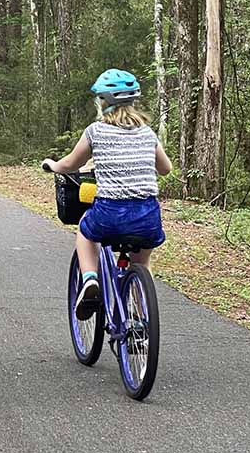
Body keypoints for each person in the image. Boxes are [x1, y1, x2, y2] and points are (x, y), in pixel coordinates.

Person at [42, 69, 172, 320]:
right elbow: (165, 168)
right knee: (141, 262)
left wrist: (53, 165)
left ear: (103, 102)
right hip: (147, 215)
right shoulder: (147, 133)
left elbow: (70, 163)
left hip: (110, 212)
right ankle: (138, 317)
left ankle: (90, 279)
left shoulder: (96, 131)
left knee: (85, 230)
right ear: (133, 102)